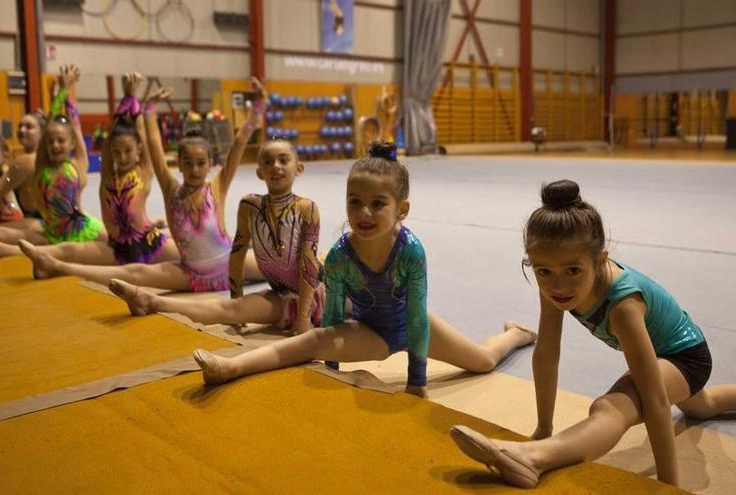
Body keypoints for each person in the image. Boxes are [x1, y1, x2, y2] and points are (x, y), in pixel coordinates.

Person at [449, 179, 736, 488]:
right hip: (676, 356)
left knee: (610, 407)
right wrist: (543, 424)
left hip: (685, 357)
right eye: (543, 271)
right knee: (702, 405)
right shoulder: (557, 284)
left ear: (600, 259)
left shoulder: (623, 306)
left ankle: (536, 457)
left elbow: (654, 400)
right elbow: (548, 352)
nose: (558, 284)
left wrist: (668, 484)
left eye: (573, 270)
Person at [192, 142, 537, 398]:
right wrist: (332, 367)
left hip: (413, 324)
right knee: (310, 340)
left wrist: (417, 382)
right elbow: (332, 318)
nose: (364, 213)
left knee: (482, 361)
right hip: (371, 332)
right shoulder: (342, 254)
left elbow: (416, 318)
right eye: (355, 202)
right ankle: (231, 368)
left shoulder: (411, 251)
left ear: (401, 210)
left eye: (377, 204)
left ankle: (516, 334)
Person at [20, 77, 268, 290]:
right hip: (162, 264)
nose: (194, 170)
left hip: (196, 256)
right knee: (125, 271)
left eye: (201, 164)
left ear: (210, 164)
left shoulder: (207, 185)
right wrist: (143, 107)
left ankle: (255, 242)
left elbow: (237, 143)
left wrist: (257, 110)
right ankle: (54, 265)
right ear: (179, 164)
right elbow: (141, 142)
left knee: (275, 267)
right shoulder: (161, 186)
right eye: (188, 163)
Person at [110, 138, 323, 333]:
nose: (276, 166)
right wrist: (237, 295)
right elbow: (238, 252)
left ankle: (152, 302)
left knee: (350, 299)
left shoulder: (306, 208)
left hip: (318, 293)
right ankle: (149, 300)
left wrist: (303, 317)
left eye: (283, 160)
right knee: (230, 309)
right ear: (259, 172)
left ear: (299, 168)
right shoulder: (250, 205)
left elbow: (308, 265)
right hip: (280, 292)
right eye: (268, 162)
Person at [0, 64, 104, 258]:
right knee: (9, 234)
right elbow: (49, 126)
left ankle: (1, 248)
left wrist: (66, 91)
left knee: (114, 243)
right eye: (51, 141)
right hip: (53, 231)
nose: (55, 145)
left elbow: (75, 125)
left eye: (61, 141)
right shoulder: (42, 166)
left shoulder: (77, 165)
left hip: (81, 228)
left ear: (72, 142)